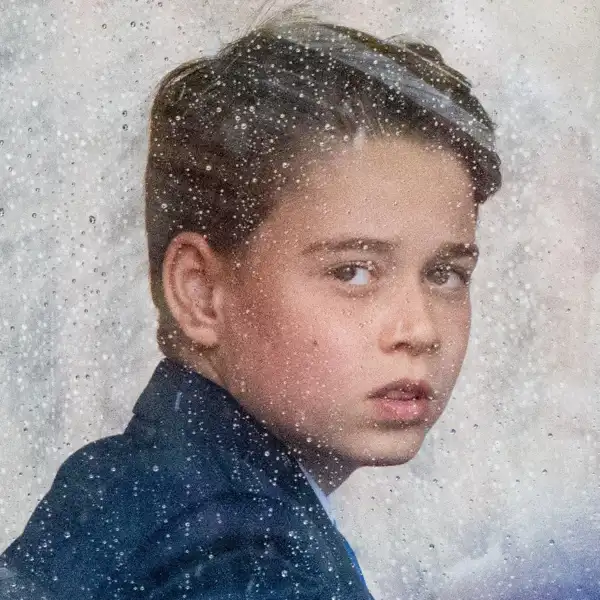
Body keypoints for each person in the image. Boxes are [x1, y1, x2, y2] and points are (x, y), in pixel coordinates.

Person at [0, 15, 502, 600]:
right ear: (201, 292)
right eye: (353, 271)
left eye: (445, 274)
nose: (419, 329)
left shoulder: (127, 481)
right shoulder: (243, 554)